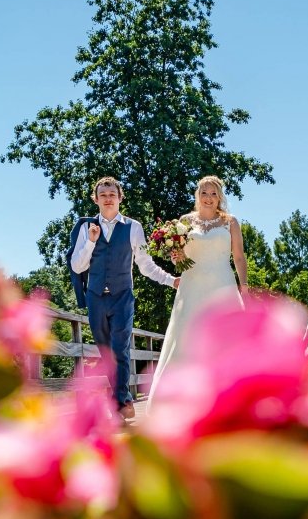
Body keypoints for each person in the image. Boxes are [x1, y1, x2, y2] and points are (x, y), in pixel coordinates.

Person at [69, 177, 180, 420]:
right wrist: (90, 242)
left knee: (120, 348)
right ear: (95, 199)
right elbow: (77, 267)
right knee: (106, 351)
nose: (108, 198)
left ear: (120, 198)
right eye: (103, 195)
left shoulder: (133, 227)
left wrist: (171, 280)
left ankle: (120, 403)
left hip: (122, 297)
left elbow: (144, 265)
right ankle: (122, 400)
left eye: (112, 194)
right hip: (96, 298)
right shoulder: (86, 229)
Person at [147, 175, 247, 402]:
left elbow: (239, 257)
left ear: (220, 197)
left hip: (222, 284)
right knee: (187, 336)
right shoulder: (184, 222)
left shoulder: (230, 222)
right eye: (204, 193)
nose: (208, 198)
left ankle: (227, 396)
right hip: (191, 286)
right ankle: (181, 398)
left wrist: (244, 287)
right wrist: (176, 256)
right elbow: (178, 260)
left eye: (213, 194)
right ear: (197, 195)